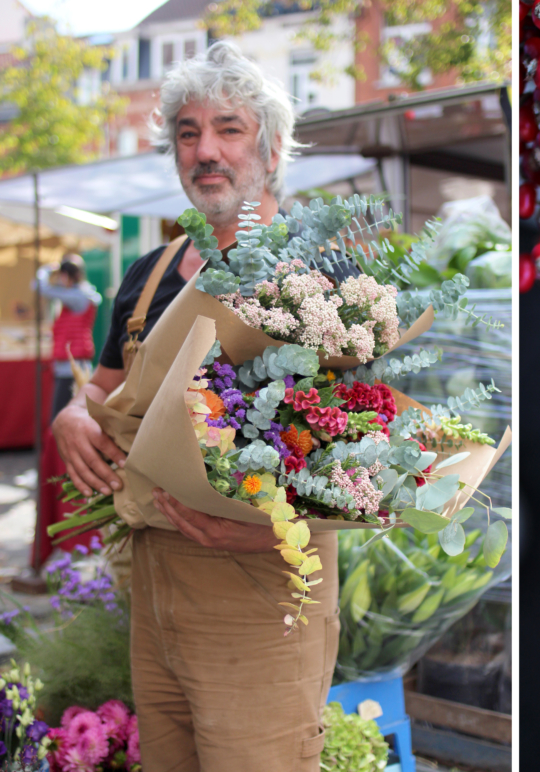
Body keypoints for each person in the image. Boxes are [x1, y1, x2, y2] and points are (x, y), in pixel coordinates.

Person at [51, 42, 339, 771]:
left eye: (229, 128)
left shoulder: (321, 278)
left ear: (271, 149)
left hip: (262, 590)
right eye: (187, 131)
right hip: (152, 587)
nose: (205, 149)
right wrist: (73, 416)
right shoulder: (148, 274)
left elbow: (376, 444)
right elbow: (101, 388)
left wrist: (286, 526)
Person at [32, 254, 102, 416]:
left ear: (67, 276)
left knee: (60, 416)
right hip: (70, 364)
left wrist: (47, 270)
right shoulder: (79, 295)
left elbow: (39, 287)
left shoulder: (77, 297)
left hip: (70, 368)